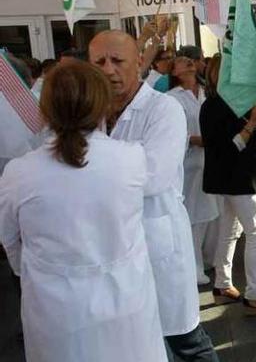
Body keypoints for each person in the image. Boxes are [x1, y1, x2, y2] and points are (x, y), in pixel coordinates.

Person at [0, 62, 166, 362]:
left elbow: (11, 245)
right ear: (103, 104)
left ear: (45, 108)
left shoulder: (18, 173)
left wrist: (42, 272)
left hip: (54, 313)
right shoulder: (131, 158)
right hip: (125, 305)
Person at [88, 30, 218, 360]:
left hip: (156, 242)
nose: (107, 69)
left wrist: (90, 174)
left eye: (117, 61)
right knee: (137, 343)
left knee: (185, 341)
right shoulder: (91, 114)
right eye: (99, 62)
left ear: (138, 63)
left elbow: (154, 177)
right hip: (111, 248)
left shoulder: (164, 109)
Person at [200, 58, 256, 316]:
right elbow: (229, 148)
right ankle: (254, 294)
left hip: (232, 178)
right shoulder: (215, 106)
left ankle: (223, 283)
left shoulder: (226, 103)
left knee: (230, 229)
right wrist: (252, 123)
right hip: (234, 178)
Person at [167, 56, 218, 286]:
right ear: (175, 72)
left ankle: (211, 258)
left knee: (212, 214)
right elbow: (173, 132)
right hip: (189, 164)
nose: (187, 62)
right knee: (193, 217)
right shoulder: (172, 98)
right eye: (181, 61)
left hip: (213, 160)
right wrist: (196, 140)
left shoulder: (207, 92)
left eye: (190, 60)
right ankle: (194, 266)